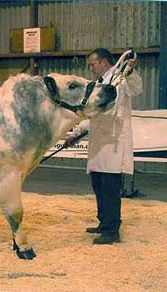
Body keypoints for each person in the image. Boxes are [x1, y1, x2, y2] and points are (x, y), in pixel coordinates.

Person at [64, 48, 143, 245]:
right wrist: (75, 134)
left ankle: (112, 231)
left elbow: (137, 88)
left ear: (105, 62)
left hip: (113, 144)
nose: (90, 68)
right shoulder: (98, 85)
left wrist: (131, 71)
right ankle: (103, 222)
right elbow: (93, 116)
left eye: (93, 64)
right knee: (98, 186)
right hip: (99, 144)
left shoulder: (121, 80)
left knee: (110, 189)